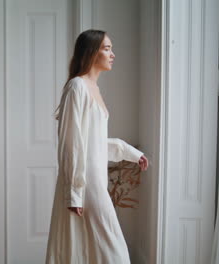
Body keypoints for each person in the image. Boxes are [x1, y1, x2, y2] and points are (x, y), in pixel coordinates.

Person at [45, 29, 149, 264]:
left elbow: (94, 143)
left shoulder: (94, 89)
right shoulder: (77, 87)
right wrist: (73, 193)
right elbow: (71, 143)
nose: (113, 54)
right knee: (116, 253)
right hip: (85, 183)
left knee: (95, 250)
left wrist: (131, 153)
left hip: (95, 179)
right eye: (107, 48)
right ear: (91, 52)